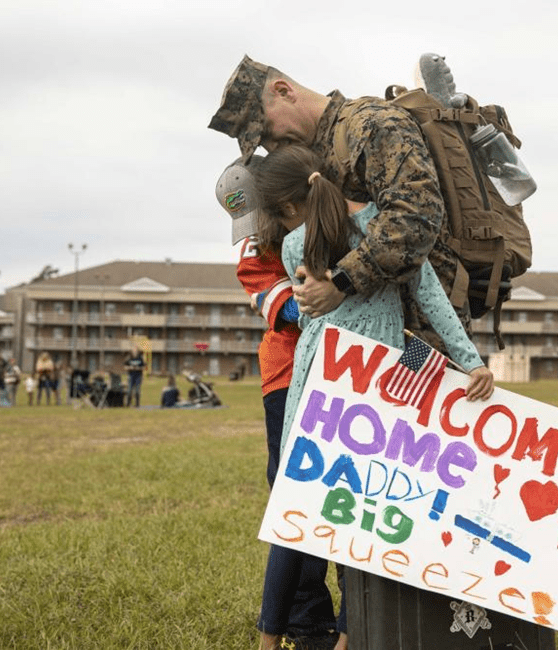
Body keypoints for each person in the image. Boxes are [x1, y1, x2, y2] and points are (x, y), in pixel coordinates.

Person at [255, 145, 496, 650]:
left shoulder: (296, 244)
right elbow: (428, 293)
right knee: (362, 513)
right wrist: (470, 359)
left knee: (295, 516)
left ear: (288, 208)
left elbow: (313, 312)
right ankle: (348, 638)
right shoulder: (384, 230)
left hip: (314, 385)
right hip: (373, 388)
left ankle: (268, 640)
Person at [209, 56, 464, 354]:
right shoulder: (312, 154)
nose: (269, 147)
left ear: (284, 91)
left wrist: (341, 282)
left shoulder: (373, 125)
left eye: (265, 131)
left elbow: (415, 221)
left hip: (421, 334)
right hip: (364, 342)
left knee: (418, 398)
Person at [216, 158, 340, 650]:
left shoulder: (336, 220)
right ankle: (310, 624)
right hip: (288, 376)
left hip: (347, 373)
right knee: (295, 497)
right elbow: (279, 304)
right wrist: (307, 300)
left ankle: (355, 620)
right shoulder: (261, 249)